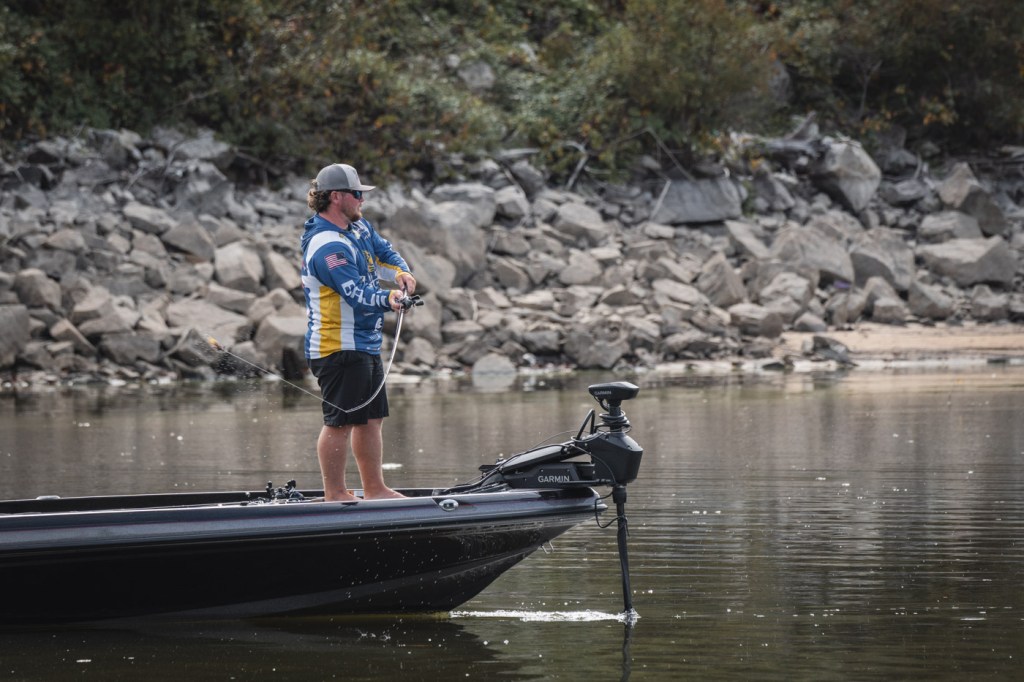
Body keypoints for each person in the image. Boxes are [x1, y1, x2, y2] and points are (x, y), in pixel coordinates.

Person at [300, 163, 416, 502]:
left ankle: (375, 490)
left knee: (371, 420)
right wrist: (389, 299)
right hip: (336, 348)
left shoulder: (359, 226)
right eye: (357, 194)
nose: (362, 199)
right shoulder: (327, 247)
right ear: (337, 197)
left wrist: (402, 273)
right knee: (340, 422)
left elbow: (384, 252)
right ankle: (335, 494)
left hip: (363, 344)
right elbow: (355, 293)